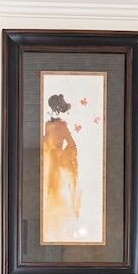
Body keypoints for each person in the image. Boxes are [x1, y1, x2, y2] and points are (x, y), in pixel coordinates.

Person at [42, 93, 80, 242]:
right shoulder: (46, 124)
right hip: (45, 162)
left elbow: (72, 145)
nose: (55, 111)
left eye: (57, 108)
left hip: (56, 164)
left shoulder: (62, 125)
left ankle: (59, 234)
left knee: (56, 197)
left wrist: (61, 157)